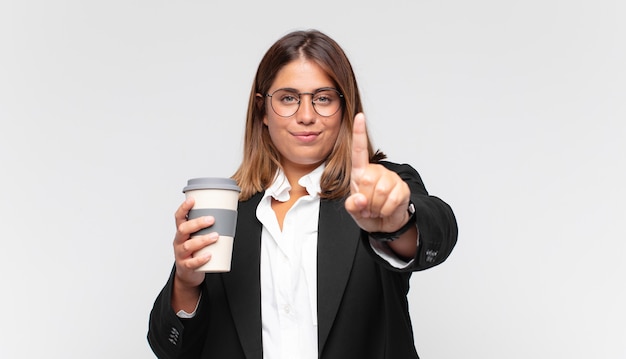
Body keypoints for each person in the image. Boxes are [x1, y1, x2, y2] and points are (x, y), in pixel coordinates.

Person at [147, 29, 458, 359]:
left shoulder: (379, 189)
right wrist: (186, 280)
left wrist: (396, 222)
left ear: (344, 107)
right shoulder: (227, 212)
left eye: (323, 98)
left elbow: (437, 231)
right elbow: (170, 349)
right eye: (288, 98)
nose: (306, 115)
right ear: (262, 111)